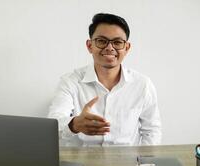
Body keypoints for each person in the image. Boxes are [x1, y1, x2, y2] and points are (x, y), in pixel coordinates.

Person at [48, 13, 162, 146]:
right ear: (90, 46)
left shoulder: (142, 84)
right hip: (82, 164)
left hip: (127, 163)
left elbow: (152, 131)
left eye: (117, 42)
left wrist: (144, 163)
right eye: (102, 41)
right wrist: (74, 124)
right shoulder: (70, 82)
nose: (109, 47)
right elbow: (53, 124)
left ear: (127, 48)